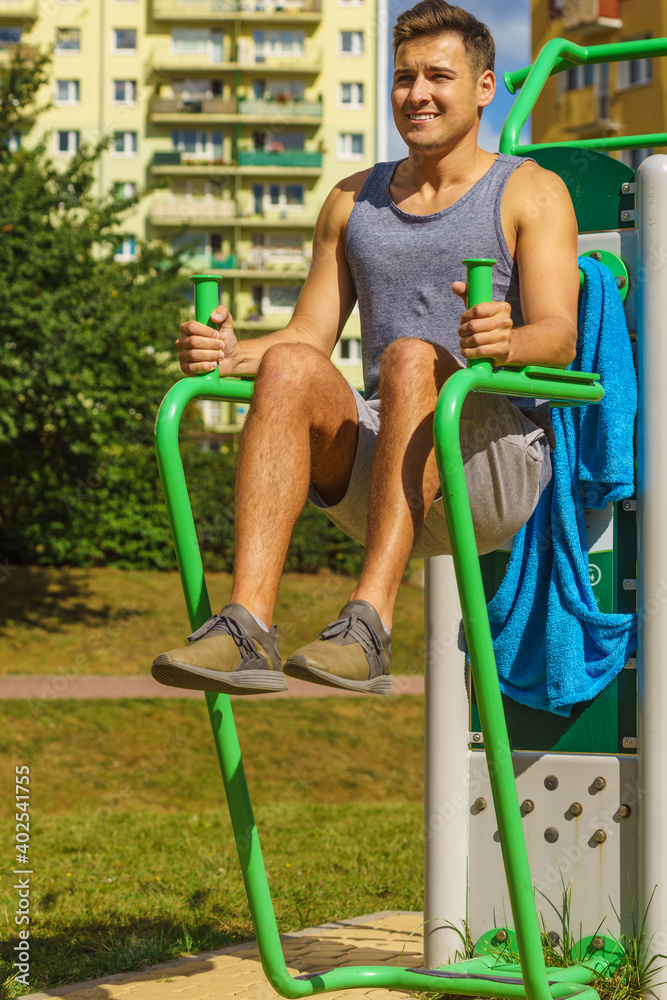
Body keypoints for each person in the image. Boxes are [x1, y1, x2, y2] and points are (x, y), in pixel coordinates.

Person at [151, 0, 579, 697]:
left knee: (412, 355)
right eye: (404, 77)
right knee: (291, 368)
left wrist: (508, 339)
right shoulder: (353, 200)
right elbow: (304, 339)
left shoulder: (529, 191)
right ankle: (246, 626)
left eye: (438, 76)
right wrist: (228, 352)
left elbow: (558, 336)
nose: (417, 94)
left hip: (490, 471)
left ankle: (370, 625)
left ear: (483, 87)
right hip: (387, 466)